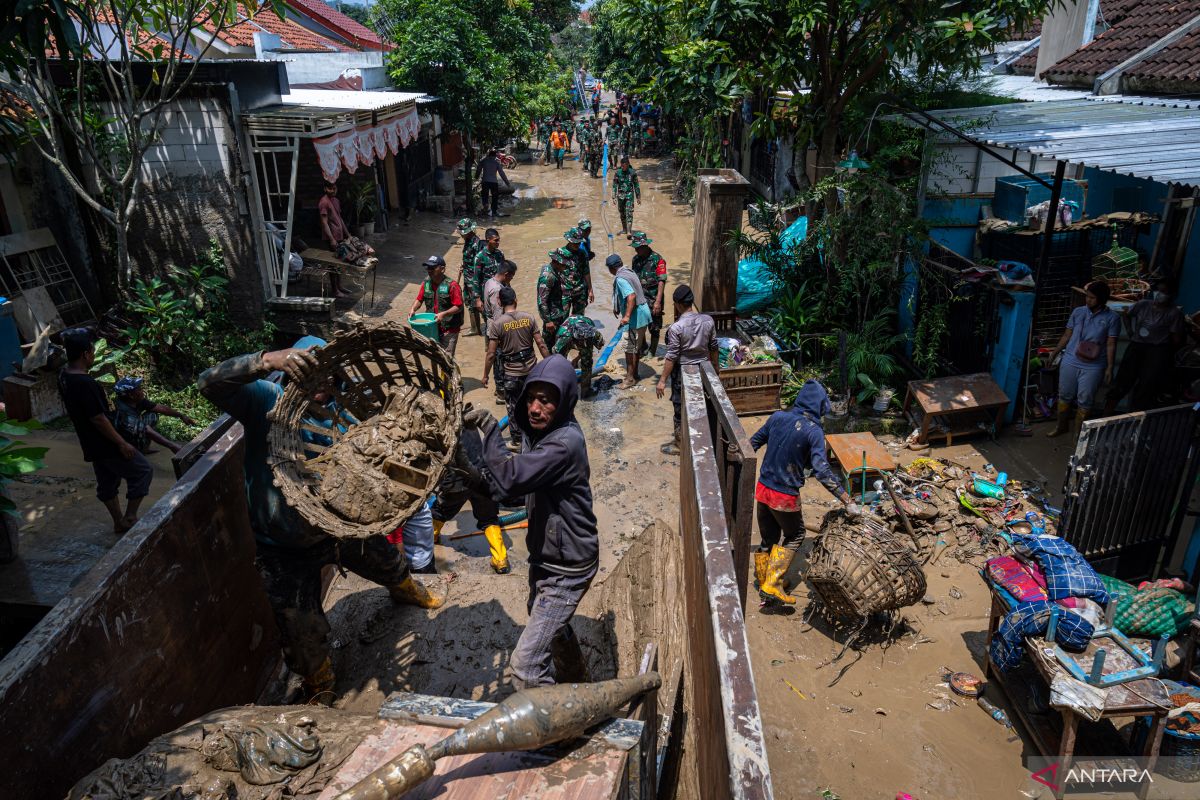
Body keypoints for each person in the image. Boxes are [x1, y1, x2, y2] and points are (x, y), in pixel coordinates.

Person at [198, 339, 445, 700]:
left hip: (339, 529)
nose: (323, 383)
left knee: (389, 563)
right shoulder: (268, 401)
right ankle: (320, 679)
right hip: (282, 547)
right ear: (294, 373)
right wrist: (266, 359)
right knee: (301, 631)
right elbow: (208, 382)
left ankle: (405, 589)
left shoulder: (346, 415)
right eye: (312, 374)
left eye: (330, 375)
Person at [468, 355, 598, 689]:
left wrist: (488, 429)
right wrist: (471, 477)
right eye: (530, 398)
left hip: (568, 565)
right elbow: (513, 491)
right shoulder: (540, 437)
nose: (534, 408)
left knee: (525, 669)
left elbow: (511, 478)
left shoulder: (564, 444)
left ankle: (557, 733)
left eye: (546, 400)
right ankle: (576, 679)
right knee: (542, 616)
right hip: (549, 554)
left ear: (565, 400)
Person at [750, 380, 859, 608]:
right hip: (784, 496)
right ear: (819, 406)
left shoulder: (777, 417)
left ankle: (762, 579)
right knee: (796, 534)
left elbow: (752, 442)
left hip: (762, 489)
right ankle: (772, 583)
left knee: (769, 538)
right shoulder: (814, 431)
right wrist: (846, 498)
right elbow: (821, 470)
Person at [58, 328, 154, 535]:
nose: (93, 355)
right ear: (85, 354)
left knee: (107, 481)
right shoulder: (85, 382)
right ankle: (130, 517)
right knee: (143, 470)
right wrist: (121, 442)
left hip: (89, 442)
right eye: (92, 351)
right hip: (105, 441)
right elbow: (98, 418)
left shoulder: (64, 376)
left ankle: (118, 521)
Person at [1046, 281, 1121, 437]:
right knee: (1064, 394)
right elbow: (1067, 334)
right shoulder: (1078, 312)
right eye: (1087, 297)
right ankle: (1061, 426)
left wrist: (1109, 367)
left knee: (1085, 399)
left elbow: (1111, 344)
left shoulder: (1112, 318)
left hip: (1094, 365)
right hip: (1071, 359)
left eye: (1092, 298)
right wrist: (1054, 352)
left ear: (1101, 299)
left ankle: (1078, 435)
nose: (1088, 300)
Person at [431, 425, 506, 572]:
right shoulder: (467, 417)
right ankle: (500, 559)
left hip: (457, 480)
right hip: (483, 475)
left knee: (440, 510)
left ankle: (432, 537)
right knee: (489, 518)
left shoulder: (437, 423)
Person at [485, 285, 551, 451]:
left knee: (513, 408)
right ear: (516, 300)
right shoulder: (528, 318)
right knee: (534, 402)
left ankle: (516, 441)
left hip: (511, 374)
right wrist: (550, 364)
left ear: (499, 302)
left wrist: (485, 375)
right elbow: (541, 344)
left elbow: (491, 354)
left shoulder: (497, 324)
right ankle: (537, 433)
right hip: (531, 371)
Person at [1106, 281, 1185, 413]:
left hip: (1157, 351)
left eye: (1164, 292)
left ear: (1172, 295)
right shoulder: (1143, 305)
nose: (1159, 294)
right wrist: (1130, 332)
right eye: (1158, 290)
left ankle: (1135, 419)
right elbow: (1126, 314)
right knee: (1122, 381)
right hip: (1136, 347)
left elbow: (1176, 339)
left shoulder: (1174, 313)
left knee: (1146, 385)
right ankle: (1106, 414)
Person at [655, 286, 717, 454]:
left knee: (679, 407)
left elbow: (672, 356)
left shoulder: (677, 328)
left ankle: (679, 444)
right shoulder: (708, 321)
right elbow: (713, 347)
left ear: (677, 304)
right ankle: (699, 439)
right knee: (700, 404)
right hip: (703, 369)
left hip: (682, 372)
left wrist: (662, 381)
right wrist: (715, 370)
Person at [112, 376, 199, 455]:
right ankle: (137, 451)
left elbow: (159, 408)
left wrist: (181, 415)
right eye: (139, 389)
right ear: (131, 395)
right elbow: (146, 430)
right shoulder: (124, 412)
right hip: (122, 440)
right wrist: (172, 445)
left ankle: (144, 448)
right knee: (143, 429)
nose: (142, 391)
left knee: (152, 415)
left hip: (132, 429)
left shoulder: (136, 400)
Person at [606, 253, 652, 389]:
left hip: (635, 318)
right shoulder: (629, 272)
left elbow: (631, 296)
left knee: (629, 349)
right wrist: (618, 307)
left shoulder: (620, 279)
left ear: (610, 268)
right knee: (635, 347)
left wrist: (626, 316)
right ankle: (635, 374)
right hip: (643, 313)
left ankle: (630, 378)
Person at [318, 182, 371, 297]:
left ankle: (339, 286)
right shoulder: (323, 202)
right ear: (325, 188)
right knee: (333, 264)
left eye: (335, 188)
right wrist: (331, 239)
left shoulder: (336, 201)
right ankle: (335, 290)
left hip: (340, 236)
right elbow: (324, 223)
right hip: (331, 238)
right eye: (330, 188)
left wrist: (348, 235)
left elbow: (339, 218)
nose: (333, 190)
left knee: (340, 262)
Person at [408, 255, 465, 358]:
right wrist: (413, 309)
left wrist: (444, 314)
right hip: (432, 328)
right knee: (434, 356)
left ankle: (447, 374)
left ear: (442, 269)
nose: (429, 270)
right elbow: (419, 299)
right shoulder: (426, 284)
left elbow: (459, 306)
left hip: (449, 329)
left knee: (447, 358)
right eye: (428, 268)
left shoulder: (452, 286)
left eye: (433, 268)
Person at [630, 231, 667, 356]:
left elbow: (662, 281)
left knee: (655, 326)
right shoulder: (635, 260)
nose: (636, 251)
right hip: (640, 298)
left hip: (654, 297)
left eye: (638, 248)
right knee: (640, 323)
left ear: (645, 246)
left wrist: (657, 302)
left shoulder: (658, 259)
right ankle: (643, 345)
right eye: (635, 248)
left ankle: (652, 351)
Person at [555, 314, 605, 399]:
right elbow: (556, 354)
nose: (583, 342)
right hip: (570, 333)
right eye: (581, 341)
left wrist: (577, 359)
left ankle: (586, 391)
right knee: (559, 364)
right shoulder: (564, 335)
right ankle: (560, 390)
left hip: (584, 328)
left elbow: (597, 346)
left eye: (585, 340)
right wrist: (566, 366)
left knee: (587, 362)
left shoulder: (593, 334)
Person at [537, 248, 573, 351]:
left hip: (558, 314)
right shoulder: (548, 276)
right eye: (564, 264)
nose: (565, 267)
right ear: (557, 262)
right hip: (552, 318)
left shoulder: (555, 271)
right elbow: (542, 301)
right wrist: (548, 321)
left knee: (560, 344)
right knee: (550, 346)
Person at [457, 218, 484, 335]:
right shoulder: (468, 241)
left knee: (479, 304)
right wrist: (464, 264)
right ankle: (475, 329)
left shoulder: (477, 244)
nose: (461, 235)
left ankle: (490, 329)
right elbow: (469, 258)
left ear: (469, 231)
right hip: (467, 278)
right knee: (469, 303)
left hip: (474, 281)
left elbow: (480, 263)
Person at [471, 228, 505, 322]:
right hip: (486, 294)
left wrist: (509, 290)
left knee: (503, 318)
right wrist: (477, 299)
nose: (498, 242)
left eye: (499, 240)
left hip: (500, 291)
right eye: (495, 240)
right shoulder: (480, 257)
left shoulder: (500, 254)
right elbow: (476, 279)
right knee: (489, 320)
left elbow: (504, 273)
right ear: (487, 240)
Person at [562, 227, 594, 313]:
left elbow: (586, 272)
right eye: (575, 243)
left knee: (578, 319)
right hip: (564, 293)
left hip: (580, 291)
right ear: (569, 241)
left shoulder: (582, 254)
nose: (577, 245)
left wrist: (590, 290)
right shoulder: (561, 254)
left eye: (579, 243)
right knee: (562, 319)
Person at [477, 150, 512, 218]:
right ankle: (494, 212)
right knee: (495, 197)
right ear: (495, 156)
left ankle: (485, 207)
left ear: (489, 155)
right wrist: (507, 183)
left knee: (485, 195)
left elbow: (478, 169)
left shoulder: (484, 161)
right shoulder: (496, 162)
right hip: (494, 182)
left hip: (485, 181)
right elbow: (502, 174)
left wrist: (476, 177)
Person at [612, 156, 641, 236]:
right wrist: (613, 197)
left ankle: (629, 231)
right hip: (620, 196)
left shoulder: (632, 173)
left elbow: (636, 185)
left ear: (628, 165)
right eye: (622, 166)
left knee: (629, 212)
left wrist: (638, 197)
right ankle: (624, 229)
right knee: (622, 213)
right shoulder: (618, 173)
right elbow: (614, 185)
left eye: (624, 166)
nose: (623, 167)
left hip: (629, 195)